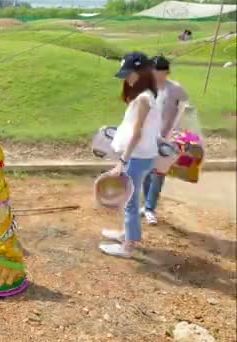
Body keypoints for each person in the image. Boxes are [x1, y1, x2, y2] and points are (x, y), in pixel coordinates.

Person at [100, 52, 162, 258]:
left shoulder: (144, 98)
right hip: (141, 156)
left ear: (141, 72)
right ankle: (126, 234)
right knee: (129, 199)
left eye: (130, 73)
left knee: (129, 201)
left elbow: (137, 133)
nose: (127, 78)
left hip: (136, 157)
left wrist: (122, 161)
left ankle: (127, 247)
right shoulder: (146, 96)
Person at [141, 56, 190, 225]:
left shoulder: (175, 88)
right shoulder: (148, 89)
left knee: (158, 174)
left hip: (167, 139)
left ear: (166, 71)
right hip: (148, 136)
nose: (153, 73)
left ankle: (150, 208)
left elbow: (186, 108)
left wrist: (177, 132)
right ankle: (146, 204)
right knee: (146, 171)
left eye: (157, 70)